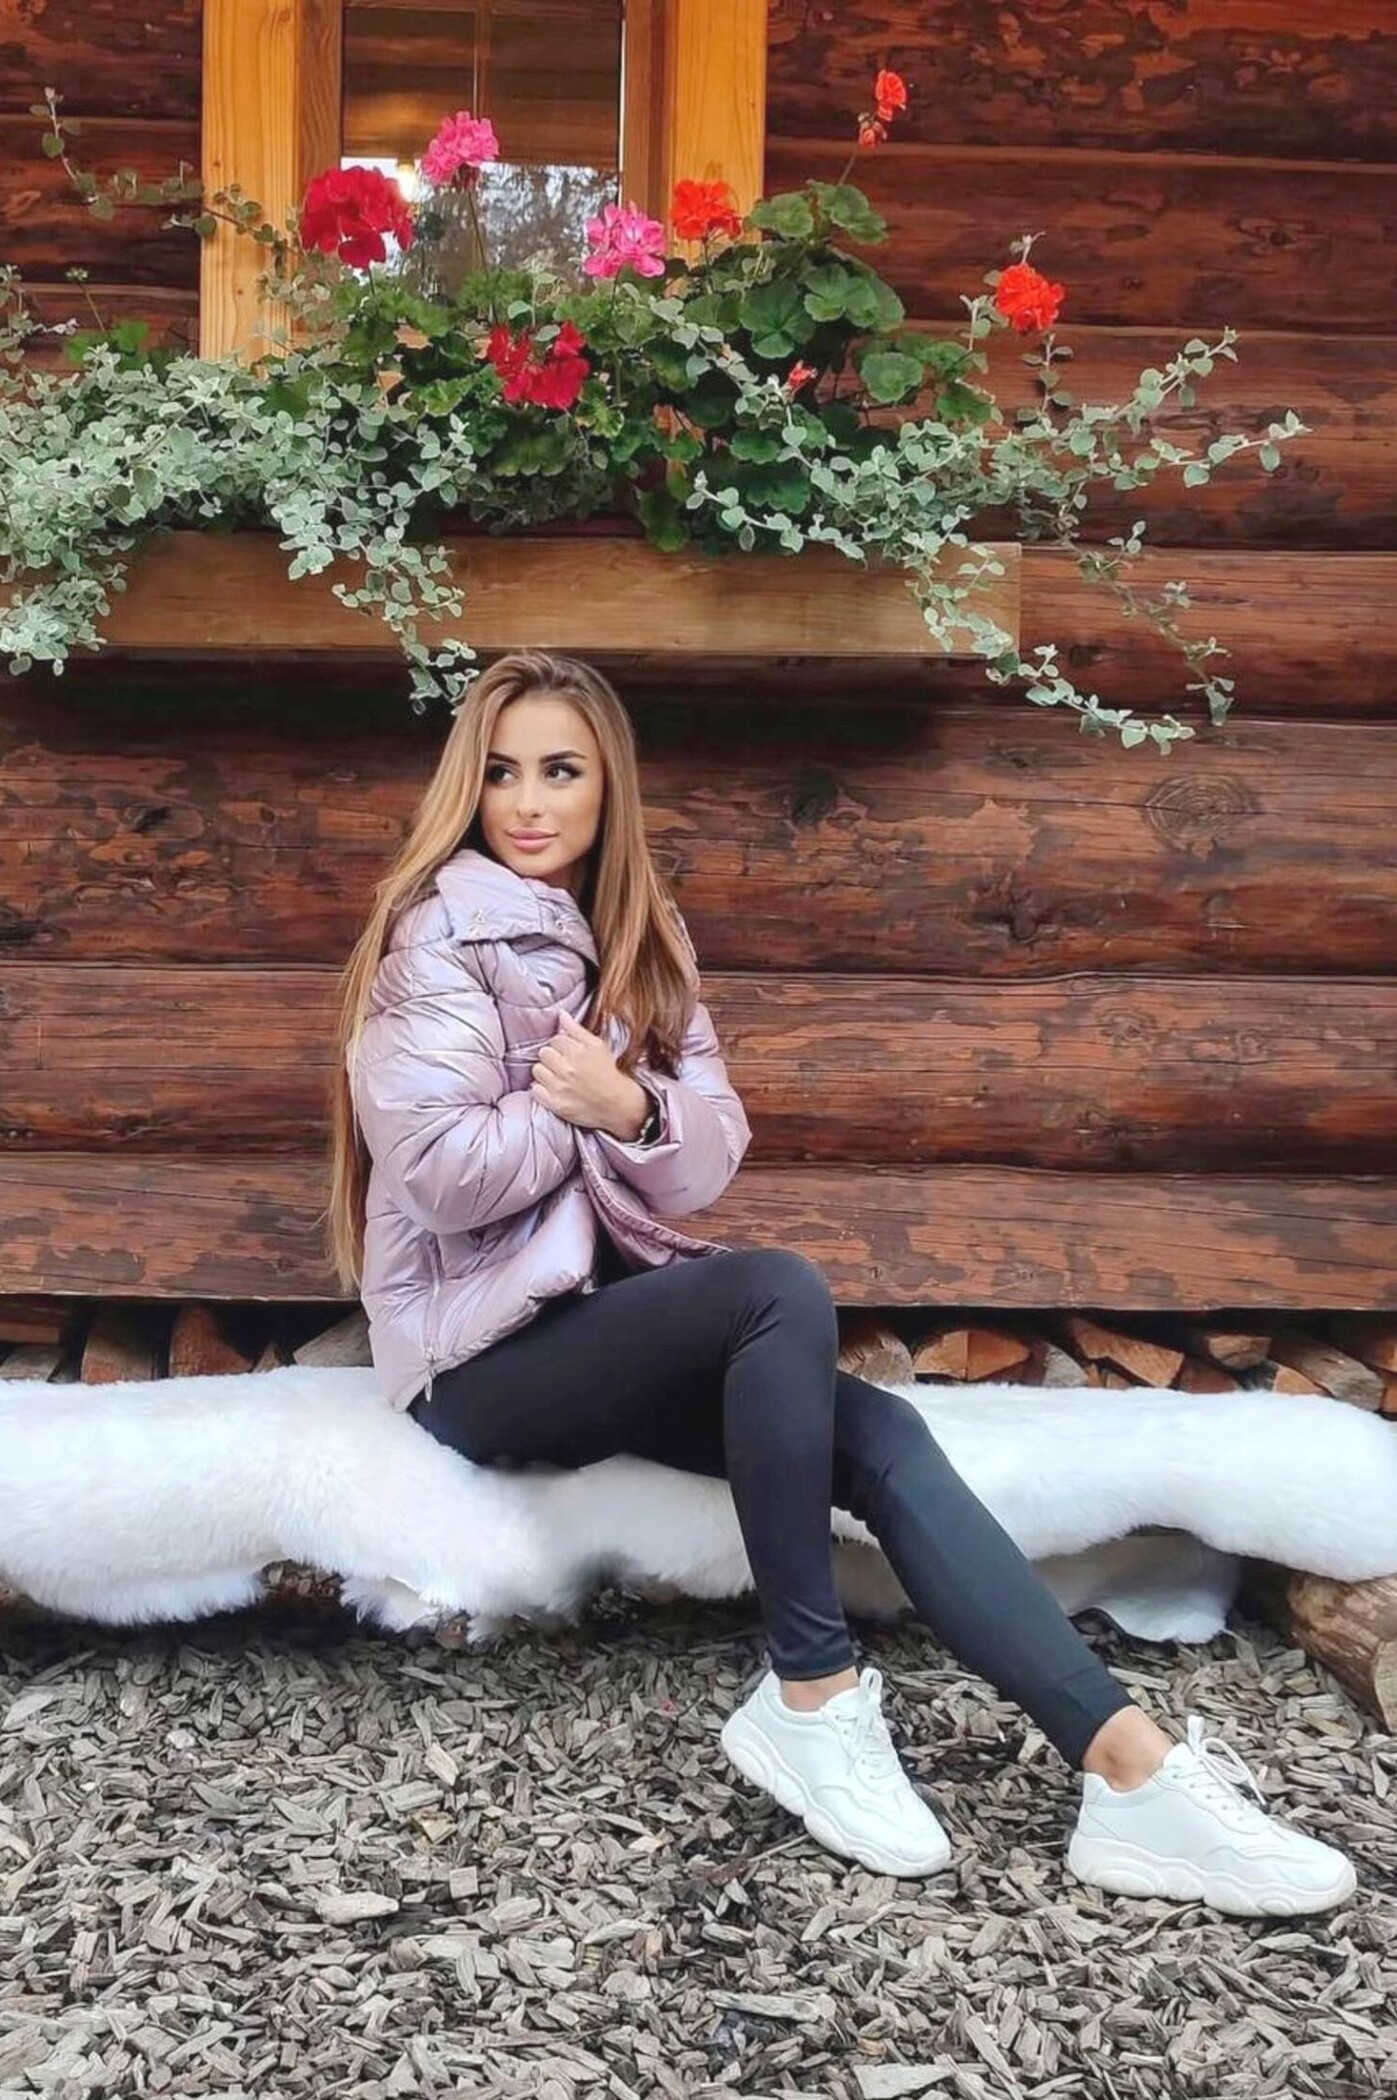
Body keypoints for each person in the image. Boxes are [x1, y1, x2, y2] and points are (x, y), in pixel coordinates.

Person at [325, 649, 1356, 1916]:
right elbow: (440, 1176)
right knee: (773, 1292)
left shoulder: (642, 935)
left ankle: (1128, 1774)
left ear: (607, 788)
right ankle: (810, 1691)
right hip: (478, 1360)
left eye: (560, 771)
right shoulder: (439, 938)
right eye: (500, 773)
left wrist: (631, 1104)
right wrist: (580, 1109)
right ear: (466, 788)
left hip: (598, 1329)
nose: (528, 803)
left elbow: (709, 1147)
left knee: (880, 1438)